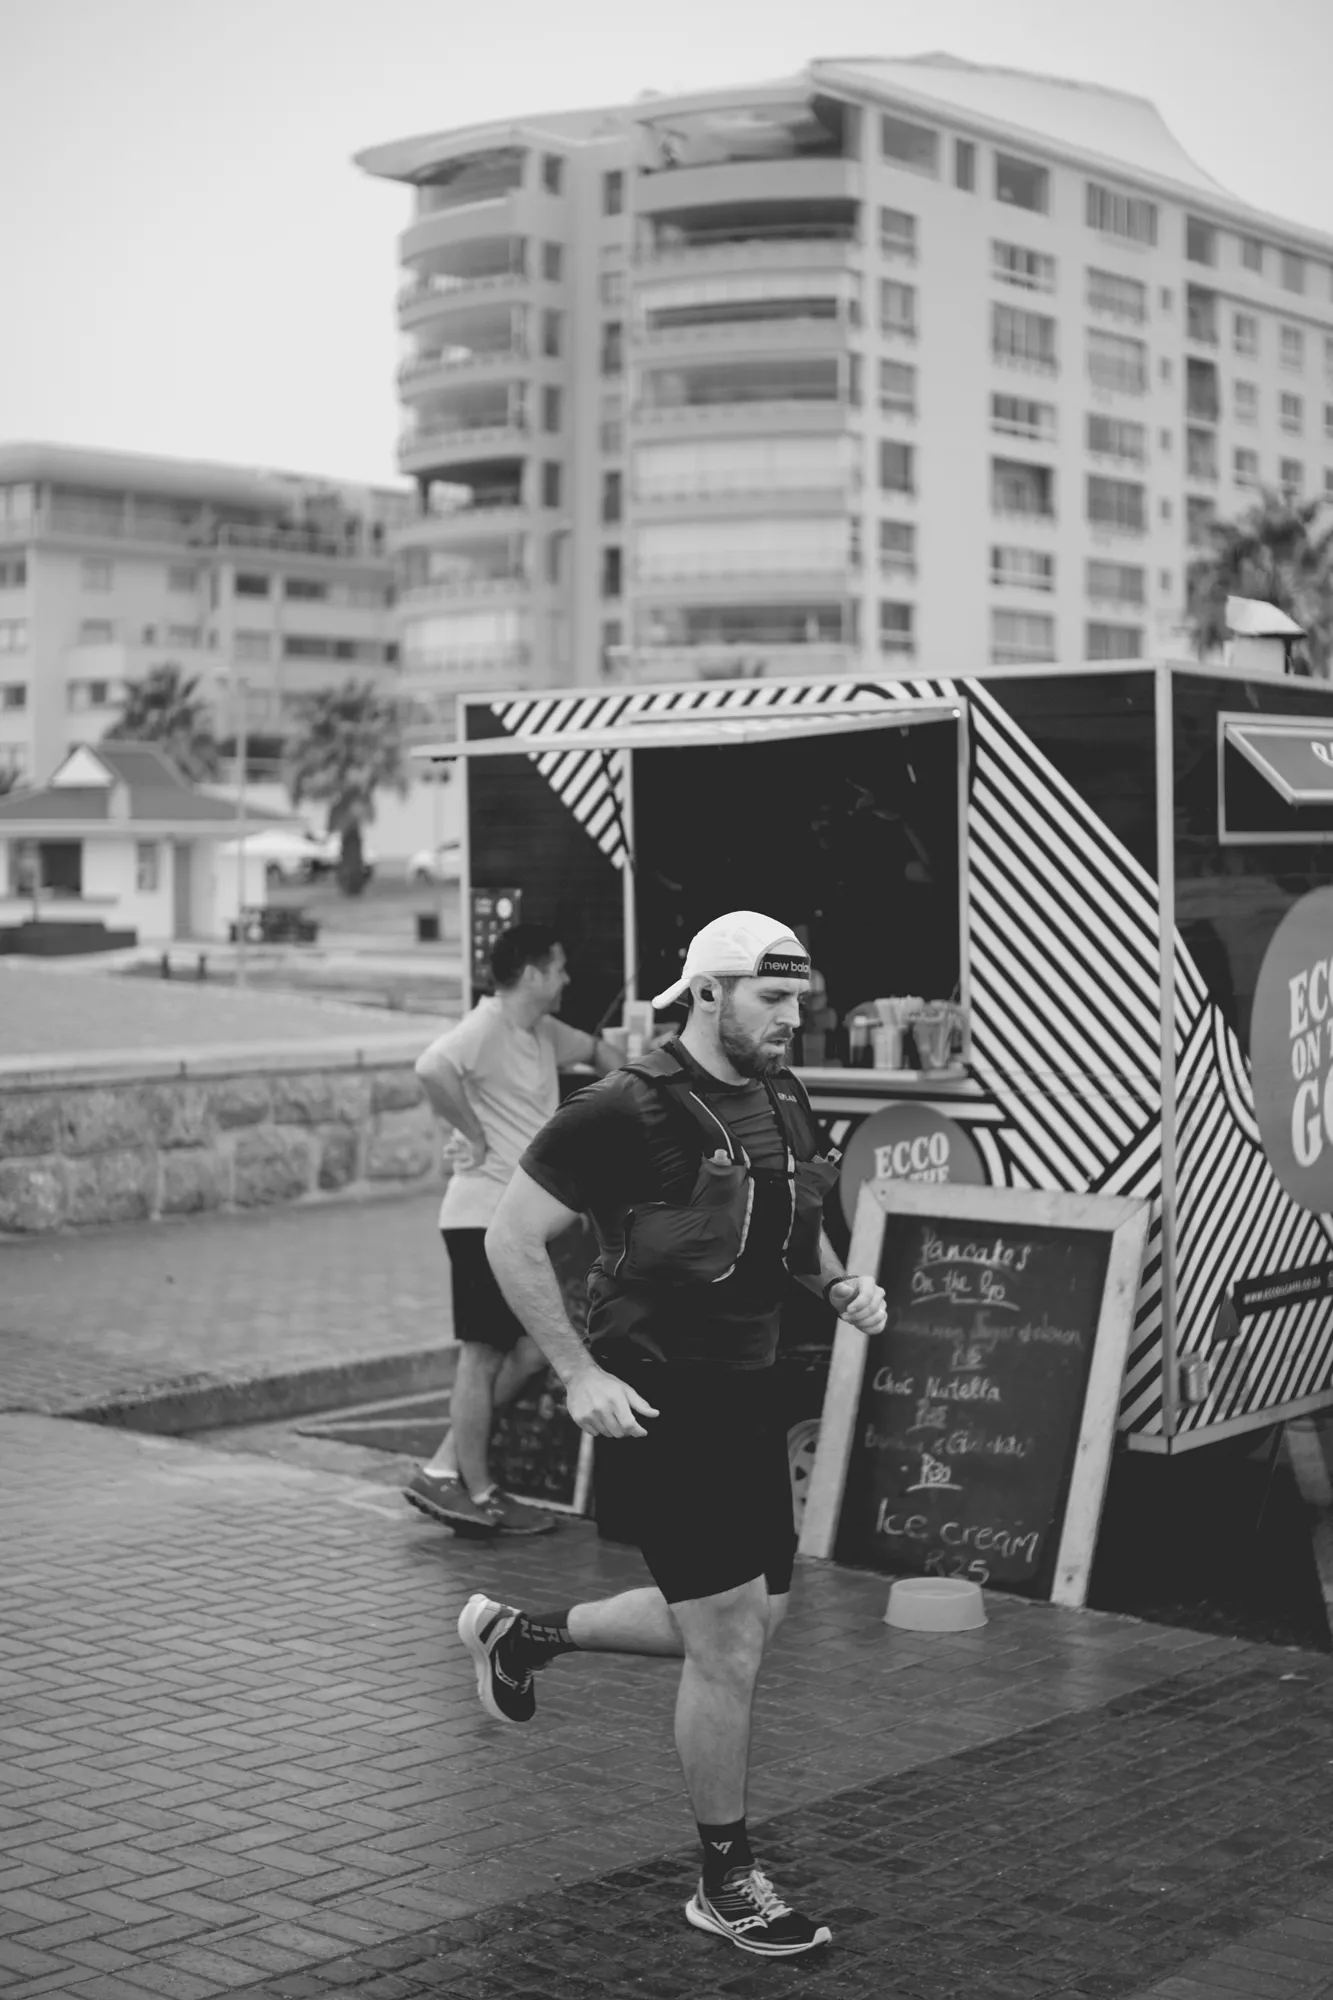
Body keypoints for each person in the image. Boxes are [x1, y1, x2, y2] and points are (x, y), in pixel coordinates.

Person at [458, 911, 887, 1957]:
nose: (793, 1018)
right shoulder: (620, 1109)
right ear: (708, 992)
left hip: (746, 1388)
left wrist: (834, 1280)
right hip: (655, 1393)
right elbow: (510, 1236)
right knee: (730, 1634)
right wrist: (575, 1371)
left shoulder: (781, 1092)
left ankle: (523, 1635)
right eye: (772, 1000)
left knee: (752, 1617)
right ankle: (723, 1873)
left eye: (798, 1000)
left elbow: (792, 1222)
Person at [405, 923, 619, 1536]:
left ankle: (447, 1466)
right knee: (482, 1356)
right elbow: (430, 1068)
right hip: (478, 1218)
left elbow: (603, 1052)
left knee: (529, 1350)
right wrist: (472, 1134)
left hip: (519, 1220)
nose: (568, 978)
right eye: (559, 967)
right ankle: (476, 1489)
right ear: (532, 974)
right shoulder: (487, 1025)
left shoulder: (541, 1032)